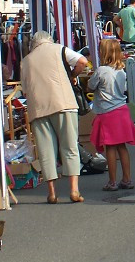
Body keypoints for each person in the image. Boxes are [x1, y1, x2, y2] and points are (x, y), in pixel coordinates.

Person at [20, 31, 89, 203]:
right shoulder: (59, 49)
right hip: (63, 103)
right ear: (49, 40)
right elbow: (83, 61)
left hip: (39, 108)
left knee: (45, 151)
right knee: (69, 146)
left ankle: (52, 192)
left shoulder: (26, 61)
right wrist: (72, 76)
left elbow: (25, 89)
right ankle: (74, 190)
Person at [89, 39, 135, 191]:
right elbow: (124, 89)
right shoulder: (121, 71)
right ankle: (127, 179)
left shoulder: (101, 71)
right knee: (122, 147)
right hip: (122, 110)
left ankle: (112, 181)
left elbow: (91, 85)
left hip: (107, 112)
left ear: (103, 53)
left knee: (110, 148)